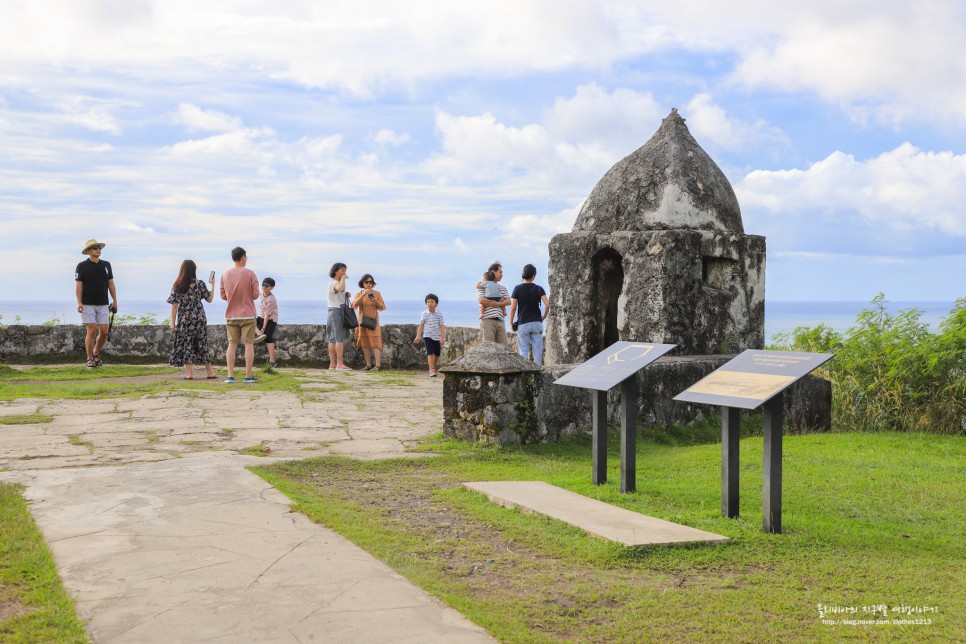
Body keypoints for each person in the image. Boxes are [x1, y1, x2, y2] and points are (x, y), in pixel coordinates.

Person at [167, 259, 217, 379]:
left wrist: (173, 324)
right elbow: (209, 299)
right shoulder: (200, 284)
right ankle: (209, 373)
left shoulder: (178, 285)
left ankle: (189, 374)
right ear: (194, 270)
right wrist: (212, 284)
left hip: (185, 320)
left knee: (187, 345)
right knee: (202, 344)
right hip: (200, 318)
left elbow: (174, 306)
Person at [74, 238, 118, 368]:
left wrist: (115, 300)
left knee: (104, 331)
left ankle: (96, 352)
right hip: (87, 303)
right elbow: (78, 286)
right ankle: (89, 358)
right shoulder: (81, 266)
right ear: (88, 251)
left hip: (103, 303)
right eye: (95, 248)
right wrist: (79, 302)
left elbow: (111, 283)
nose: (98, 250)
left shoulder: (106, 265)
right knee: (91, 330)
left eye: (99, 247)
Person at [219, 247, 260, 384]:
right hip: (247, 315)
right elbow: (255, 295)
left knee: (232, 344)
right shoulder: (250, 274)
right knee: (249, 344)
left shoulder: (225, 275)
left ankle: (230, 376)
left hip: (231, 315)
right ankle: (247, 376)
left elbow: (223, 296)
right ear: (243, 257)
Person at [509, 264, 550, 365]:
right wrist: (543, 317)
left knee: (523, 351)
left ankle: (525, 374)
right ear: (534, 275)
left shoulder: (517, 288)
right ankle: (537, 372)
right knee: (538, 351)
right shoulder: (539, 288)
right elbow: (547, 305)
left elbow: (513, 307)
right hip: (537, 323)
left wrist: (511, 322)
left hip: (523, 323)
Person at [351, 273, 386, 370]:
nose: (368, 284)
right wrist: (362, 295)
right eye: (366, 282)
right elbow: (354, 305)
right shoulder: (359, 293)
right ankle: (368, 365)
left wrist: (375, 301)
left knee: (376, 343)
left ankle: (378, 365)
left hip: (373, 322)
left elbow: (383, 307)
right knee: (365, 343)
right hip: (362, 322)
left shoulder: (377, 293)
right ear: (362, 283)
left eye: (371, 282)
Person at [476, 261, 511, 345]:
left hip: (501, 321)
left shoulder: (502, 287)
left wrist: (496, 304)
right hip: (488, 320)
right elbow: (481, 300)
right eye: (500, 272)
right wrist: (499, 302)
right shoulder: (483, 285)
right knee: (488, 348)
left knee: (504, 348)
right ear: (492, 272)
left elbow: (509, 301)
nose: (502, 274)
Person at [326, 262, 352, 370]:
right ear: (336, 271)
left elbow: (340, 291)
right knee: (339, 338)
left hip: (331, 310)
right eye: (342, 270)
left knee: (332, 339)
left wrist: (345, 294)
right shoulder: (335, 282)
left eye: (345, 270)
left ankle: (332, 364)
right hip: (337, 311)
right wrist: (343, 279)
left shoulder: (333, 282)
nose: (344, 272)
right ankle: (340, 364)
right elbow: (340, 288)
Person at [413, 294, 445, 377]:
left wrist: (442, 337)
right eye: (428, 302)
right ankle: (432, 369)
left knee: (437, 354)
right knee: (430, 353)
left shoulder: (439, 314)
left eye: (432, 302)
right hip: (427, 336)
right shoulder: (424, 314)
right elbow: (421, 325)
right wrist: (418, 336)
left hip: (437, 336)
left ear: (436, 303)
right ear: (426, 303)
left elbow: (442, 326)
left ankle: (433, 367)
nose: (430, 303)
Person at [254, 277, 279, 368]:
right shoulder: (261, 294)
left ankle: (272, 361)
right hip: (261, 317)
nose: (264, 287)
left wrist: (263, 328)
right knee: (250, 321)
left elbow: (267, 315)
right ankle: (259, 334)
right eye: (263, 285)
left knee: (268, 338)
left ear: (271, 287)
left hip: (271, 319)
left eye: (266, 285)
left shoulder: (271, 299)